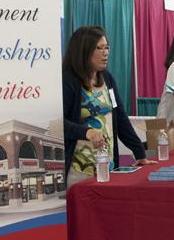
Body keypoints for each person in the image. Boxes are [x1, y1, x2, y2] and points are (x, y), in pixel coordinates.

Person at [63, 26, 154, 189]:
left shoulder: (107, 78)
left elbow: (120, 118)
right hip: (80, 170)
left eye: (107, 48)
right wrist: (86, 132)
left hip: (108, 166)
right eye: (99, 48)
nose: (105, 53)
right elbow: (58, 125)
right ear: (83, 51)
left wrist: (139, 153)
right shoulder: (69, 80)